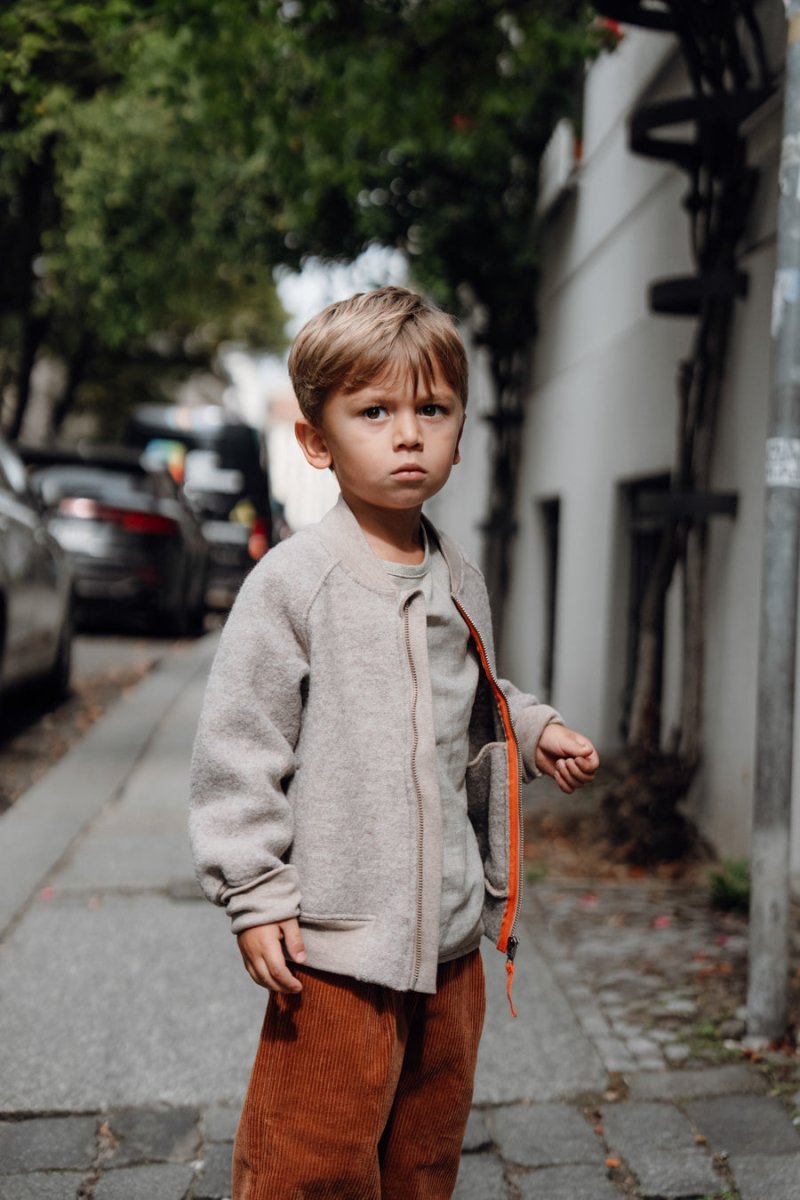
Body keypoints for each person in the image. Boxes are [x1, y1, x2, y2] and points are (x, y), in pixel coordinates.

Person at [189, 286, 599, 1200]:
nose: (408, 434)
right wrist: (254, 893)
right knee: (309, 1163)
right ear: (317, 440)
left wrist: (534, 730)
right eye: (374, 412)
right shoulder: (296, 582)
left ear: (459, 425)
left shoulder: (458, 574)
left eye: (432, 409)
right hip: (335, 947)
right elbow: (238, 745)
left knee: (423, 1158)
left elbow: (476, 696)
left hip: (449, 943)